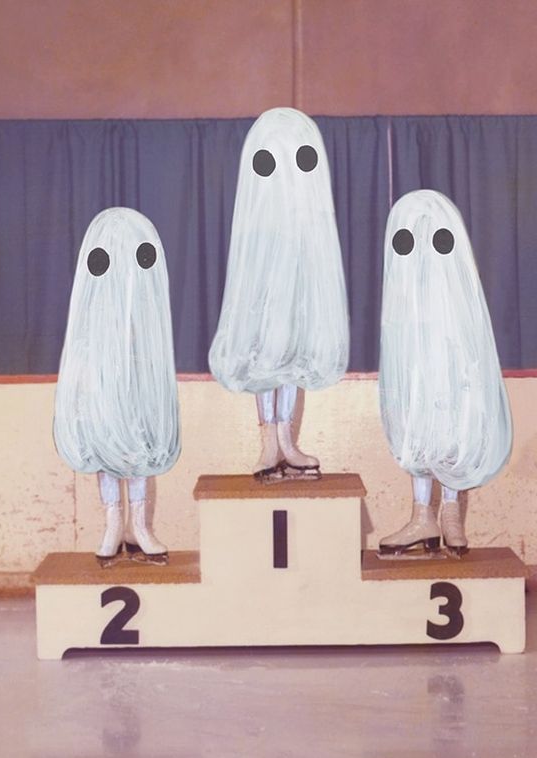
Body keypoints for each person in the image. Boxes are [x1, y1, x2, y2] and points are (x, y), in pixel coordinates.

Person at [209, 108, 349, 481]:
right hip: (265, 303)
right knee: (265, 358)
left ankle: (285, 438)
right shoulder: (257, 219)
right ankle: (269, 438)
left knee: (292, 358)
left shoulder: (306, 220)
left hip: (294, 302)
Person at [377, 190, 512, 556]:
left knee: (451, 433)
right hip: (419, 367)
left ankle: (449, 513)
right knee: (416, 432)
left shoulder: (456, 293)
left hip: (452, 370)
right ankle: (424, 516)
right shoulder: (405, 294)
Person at [54, 208, 181, 566]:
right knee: (106, 452)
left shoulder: (143, 312)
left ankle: (137, 527)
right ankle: (113, 524)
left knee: (138, 449)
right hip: (102, 389)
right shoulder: (92, 315)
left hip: (137, 389)